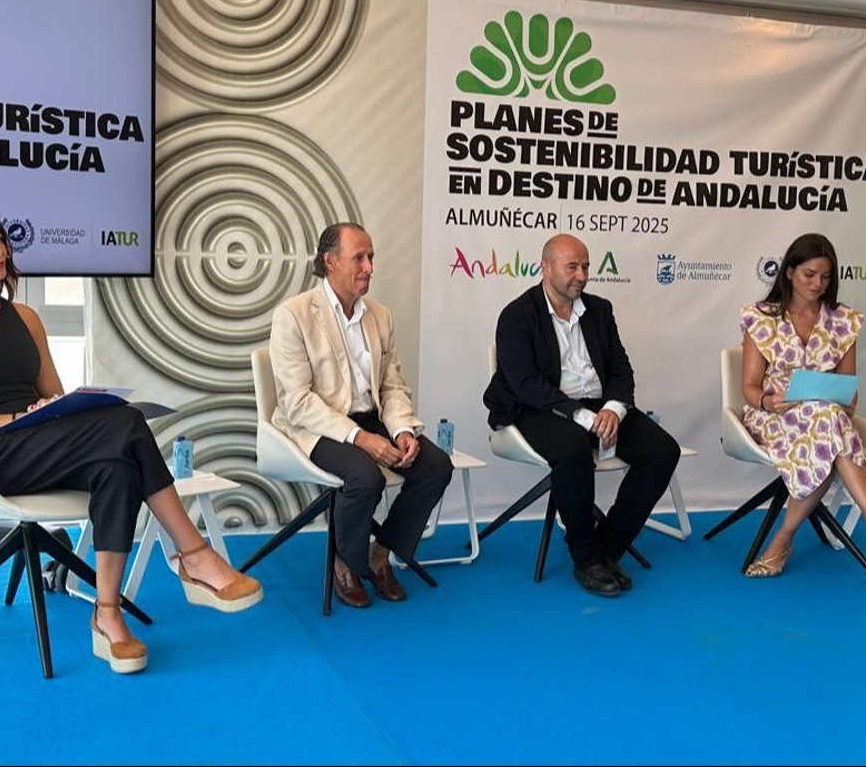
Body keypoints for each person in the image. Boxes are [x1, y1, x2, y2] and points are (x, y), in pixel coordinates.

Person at [0, 200, 260, 674]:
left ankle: (108, 616)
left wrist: (59, 408)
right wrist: (4, 419)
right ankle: (194, 556)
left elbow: (53, 396)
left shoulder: (26, 318)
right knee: (128, 427)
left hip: (35, 443)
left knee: (115, 465)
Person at [267, 222, 455, 608]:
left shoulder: (379, 315)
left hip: (372, 418)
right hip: (315, 426)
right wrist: (360, 438)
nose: (370, 267)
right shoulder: (294, 314)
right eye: (360, 258)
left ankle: (381, 553)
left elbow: (392, 385)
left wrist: (402, 429)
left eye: (371, 258)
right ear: (330, 261)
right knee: (364, 476)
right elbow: (297, 401)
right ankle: (344, 562)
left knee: (435, 465)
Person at [484, 234, 679, 597]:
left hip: (598, 405)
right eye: (571, 267)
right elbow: (526, 384)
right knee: (573, 450)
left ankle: (606, 549)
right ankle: (585, 558)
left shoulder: (600, 310)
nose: (581, 275)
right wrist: (583, 417)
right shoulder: (516, 315)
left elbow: (621, 370)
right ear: (545, 268)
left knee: (662, 450)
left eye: (586, 266)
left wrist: (613, 409)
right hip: (538, 408)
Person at [738, 232, 866, 577]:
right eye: (809, 274)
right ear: (790, 272)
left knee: (827, 422)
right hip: (774, 416)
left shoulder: (844, 320)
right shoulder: (760, 317)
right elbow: (749, 388)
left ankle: (783, 540)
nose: (818, 283)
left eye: (825, 276)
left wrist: (843, 402)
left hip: (826, 418)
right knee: (831, 430)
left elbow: (847, 388)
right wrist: (769, 401)